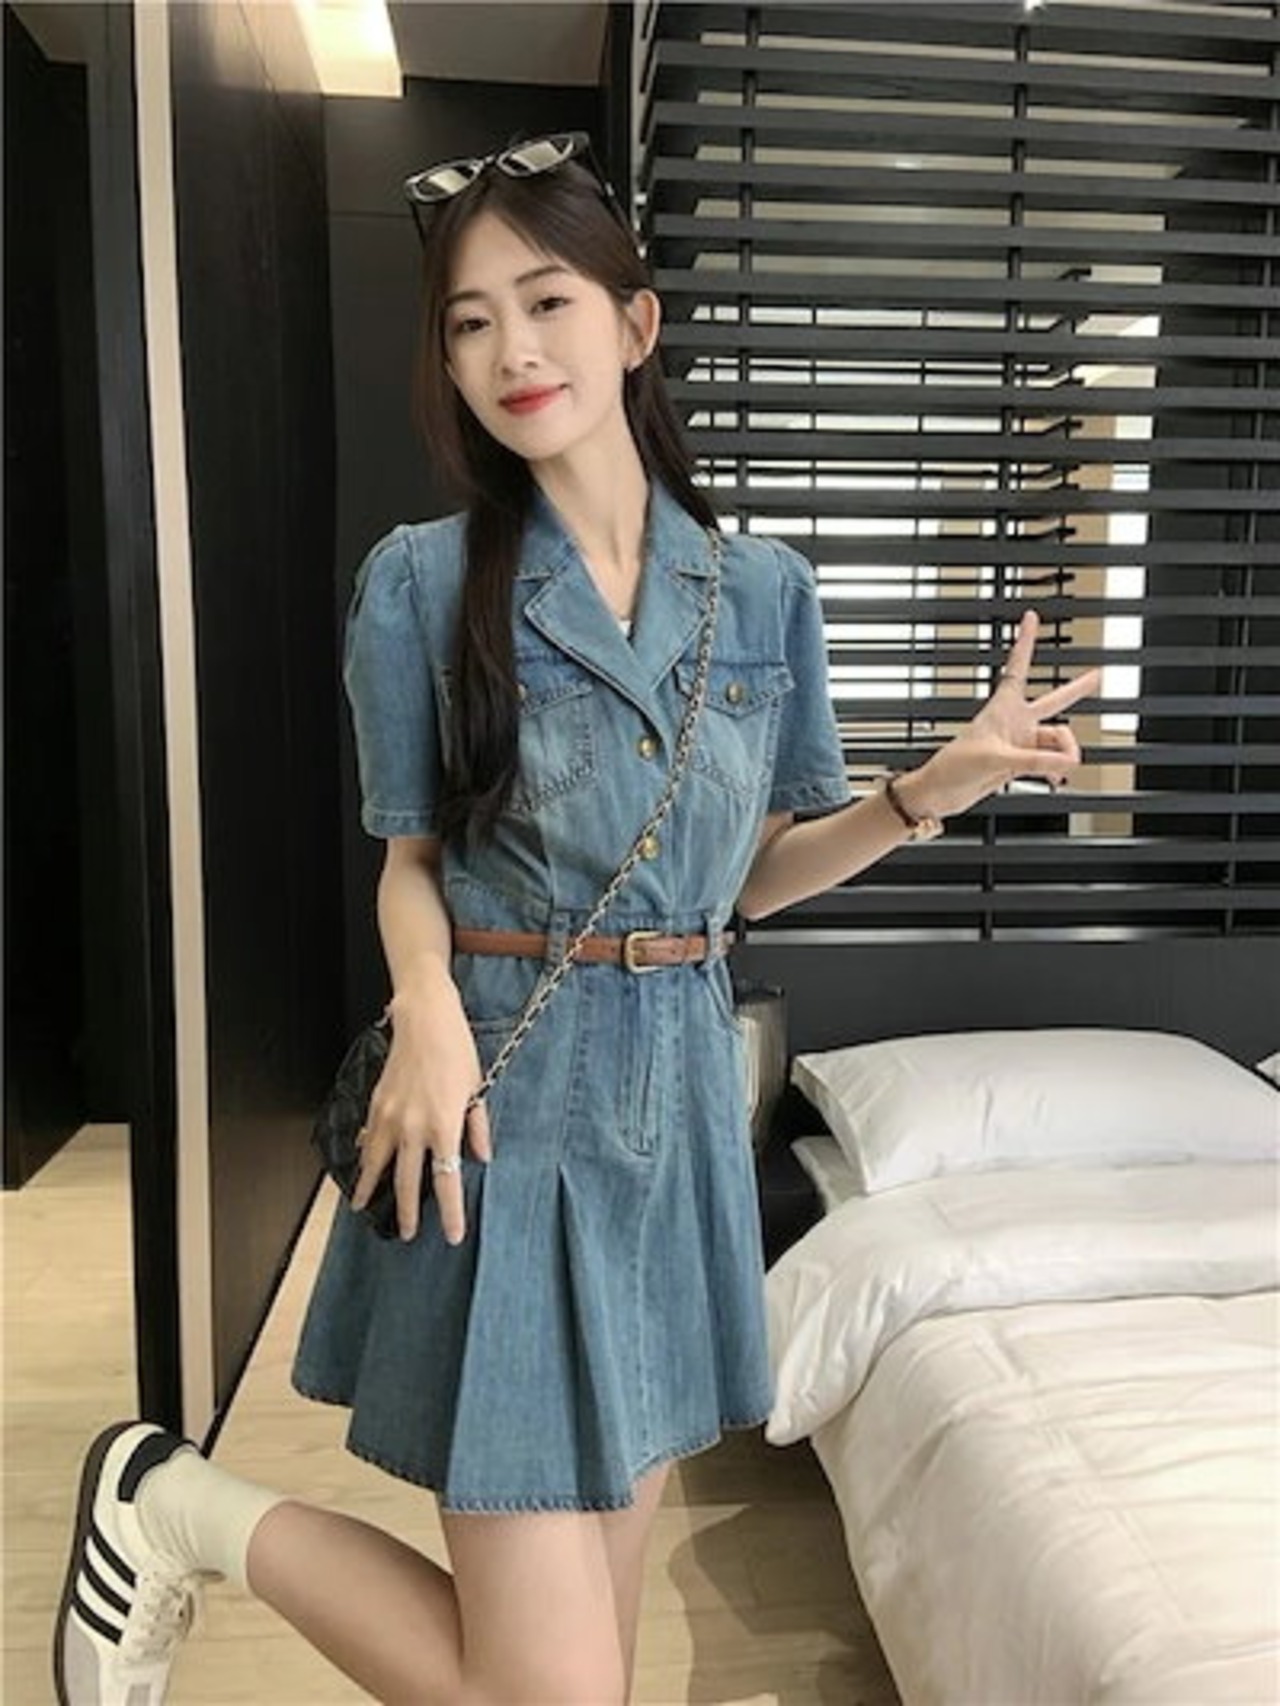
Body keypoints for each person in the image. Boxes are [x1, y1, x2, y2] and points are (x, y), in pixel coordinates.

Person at [53, 131, 1100, 1706]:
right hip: (503, 1112)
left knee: (574, 1671)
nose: (512, 351)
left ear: (635, 321)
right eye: (470, 322)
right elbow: (408, 857)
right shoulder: (423, 584)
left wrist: (929, 787)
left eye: (546, 302)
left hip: (676, 1122)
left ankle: (172, 1502)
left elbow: (743, 884)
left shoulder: (764, 593)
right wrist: (425, 1011)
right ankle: (171, 1504)